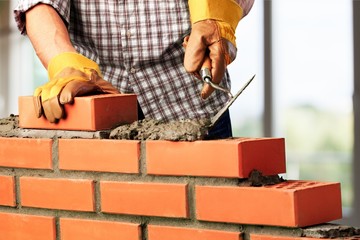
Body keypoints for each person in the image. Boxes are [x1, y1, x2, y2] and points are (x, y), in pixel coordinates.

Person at [14, 0, 254, 139]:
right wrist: (65, 64)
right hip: (93, 97)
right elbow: (38, 3)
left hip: (190, 102)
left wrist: (216, 15)